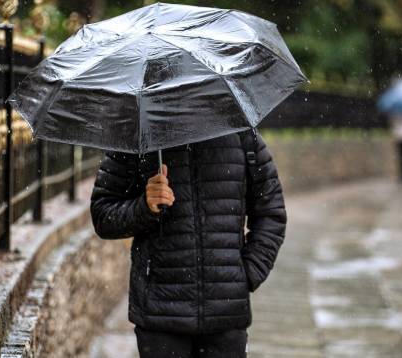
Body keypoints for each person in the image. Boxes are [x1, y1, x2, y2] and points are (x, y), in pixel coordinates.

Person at [90, 130, 286, 358]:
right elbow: (103, 215)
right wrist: (145, 206)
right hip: (160, 313)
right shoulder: (137, 136)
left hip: (225, 315)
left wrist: (247, 273)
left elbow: (271, 213)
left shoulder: (241, 134)